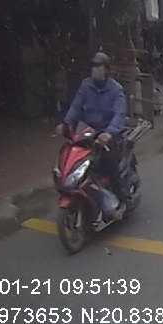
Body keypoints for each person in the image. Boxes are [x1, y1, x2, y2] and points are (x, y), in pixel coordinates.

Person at [56, 52, 128, 219]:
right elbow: (76, 106)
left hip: (109, 134)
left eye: (98, 67)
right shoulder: (86, 86)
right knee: (72, 155)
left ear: (107, 70)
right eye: (93, 67)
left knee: (108, 163)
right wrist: (66, 123)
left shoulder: (115, 89)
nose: (95, 70)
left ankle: (122, 199)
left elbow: (119, 114)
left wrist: (109, 132)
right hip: (88, 132)